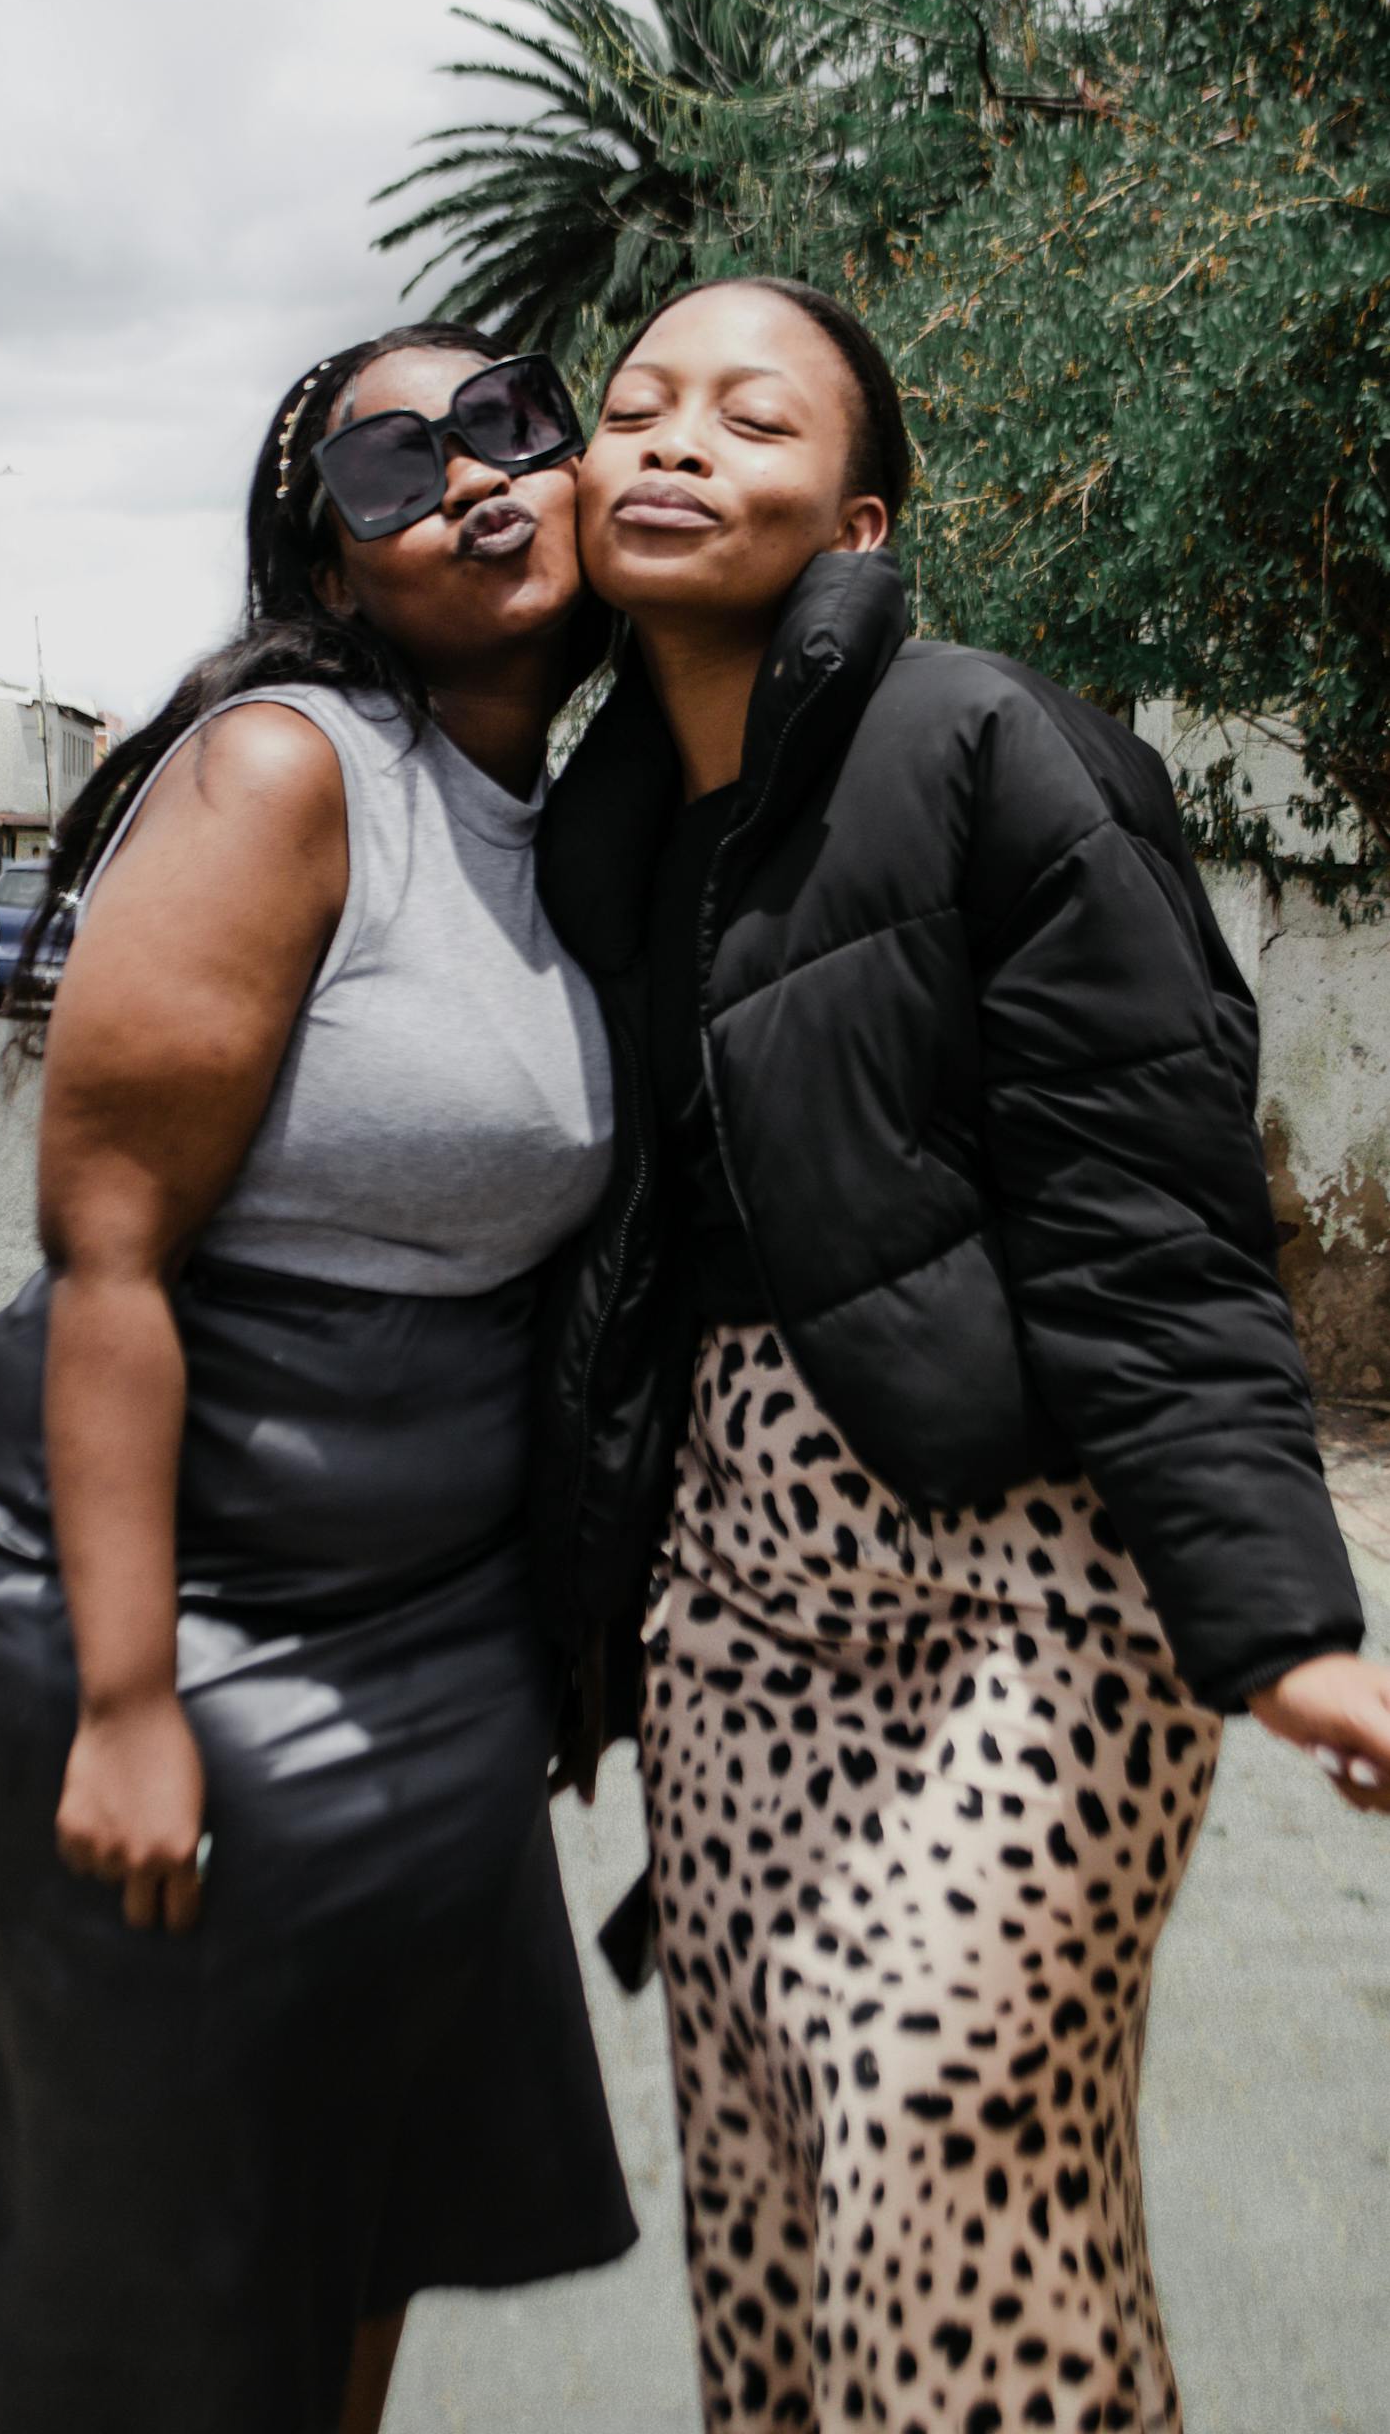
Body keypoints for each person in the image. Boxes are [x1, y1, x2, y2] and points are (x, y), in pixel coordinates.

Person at [533, 275, 1390, 2433]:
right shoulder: (596, 821)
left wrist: (1271, 1617)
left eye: (744, 416)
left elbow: (1144, 1219)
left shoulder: (990, 743)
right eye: (630, 405)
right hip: (732, 1603)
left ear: (854, 525)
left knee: (937, 2121)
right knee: (768, 2170)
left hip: (1025, 1572)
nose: (667, 438)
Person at [0, 324, 637, 2434]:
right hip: (168, 1578)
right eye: (388, 468)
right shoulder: (289, 771)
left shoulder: (571, 815)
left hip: (427, 1609)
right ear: (333, 563)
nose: (467, 477)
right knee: (145, 2257)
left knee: (356, 2189)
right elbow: (103, 1242)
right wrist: (123, 1698)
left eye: (502, 423)